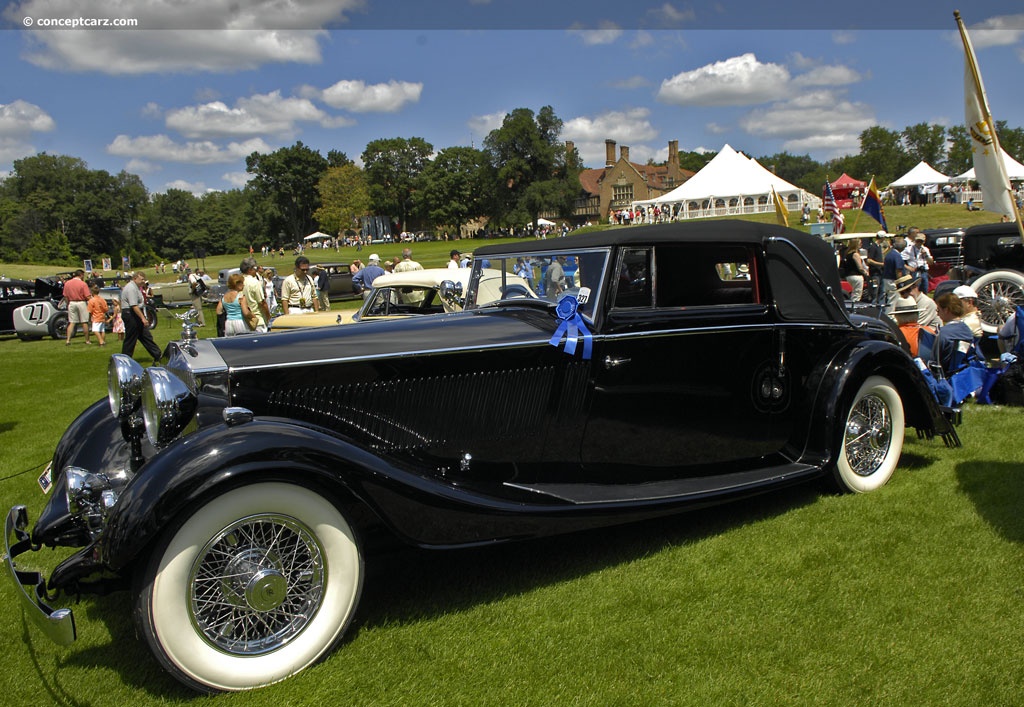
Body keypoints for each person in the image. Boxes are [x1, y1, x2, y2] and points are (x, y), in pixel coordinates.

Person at [120, 271, 162, 363]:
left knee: (145, 336)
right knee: (131, 338)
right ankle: (125, 360)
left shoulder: (136, 287)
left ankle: (158, 355)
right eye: (141, 279)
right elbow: (134, 305)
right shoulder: (131, 288)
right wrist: (143, 318)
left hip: (134, 313)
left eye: (144, 279)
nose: (143, 281)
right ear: (135, 278)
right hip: (130, 314)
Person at [933, 293, 976, 376]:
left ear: (946, 310)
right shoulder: (967, 330)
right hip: (965, 373)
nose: (937, 314)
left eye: (938, 310)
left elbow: (934, 358)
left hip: (945, 376)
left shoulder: (942, 333)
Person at [61, 269, 92, 345]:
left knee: (72, 322)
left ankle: (68, 340)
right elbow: (87, 296)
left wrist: (68, 303)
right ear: (81, 275)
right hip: (81, 302)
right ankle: (87, 340)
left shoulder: (67, 283)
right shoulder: (83, 284)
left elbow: (65, 296)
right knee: (84, 322)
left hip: (71, 302)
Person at [240, 257, 270, 331]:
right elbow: (262, 303)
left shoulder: (239, 281)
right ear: (250, 269)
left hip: (243, 321)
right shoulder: (254, 282)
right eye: (255, 268)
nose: (256, 271)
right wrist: (268, 317)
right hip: (257, 320)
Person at [901, 229, 934, 294]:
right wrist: (908, 267)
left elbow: (931, 262)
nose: (919, 243)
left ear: (924, 242)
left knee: (925, 289)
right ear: (915, 240)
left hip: (923, 271)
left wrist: (926, 255)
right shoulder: (908, 249)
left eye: (921, 241)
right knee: (914, 290)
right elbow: (900, 260)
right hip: (914, 272)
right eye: (918, 241)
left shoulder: (925, 249)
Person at [881, 235, 908, 313]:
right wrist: (900, 283)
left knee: (888, 298)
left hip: (886, 279)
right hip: (893, 281)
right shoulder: (897, 256)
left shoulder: (889, 254)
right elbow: (898, 270)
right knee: (893, 300)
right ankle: (890, 315)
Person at [841, 238, 869, 302]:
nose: (861, 244)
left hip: (849, 276)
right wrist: (865, 272)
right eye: (860, 243)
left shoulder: (847, 254)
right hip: (856, 276)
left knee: (854, 292)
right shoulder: (855, 254)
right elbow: (860, 267)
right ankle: (854, 307)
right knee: (857, 294)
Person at [864, 232, 886, 304]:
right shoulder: (873, 247)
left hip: (880, 272)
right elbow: (869, 260)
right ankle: (873, 305)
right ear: (882, 238)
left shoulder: (879, 246)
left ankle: (880, 305)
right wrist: (881, 264)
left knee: (882, 290)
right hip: (875, 273)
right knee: (875, 291)